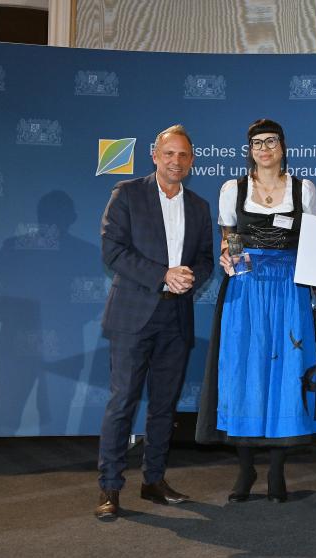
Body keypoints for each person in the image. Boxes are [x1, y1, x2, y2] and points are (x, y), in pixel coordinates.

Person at [195, 119, 316, 503]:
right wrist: (227, 259)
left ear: (283, 146)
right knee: (242, 371)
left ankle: (277, 472)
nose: (264, 148)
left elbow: (313, 242)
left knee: (286, 371)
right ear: (248, 149)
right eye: (257, 143)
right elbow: (226, 241)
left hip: (289, 286)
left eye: (271, 141)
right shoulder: (232, 189)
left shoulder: (304, 189)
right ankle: (246, 467)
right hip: (246, 287)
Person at [95, 125, 213, 520]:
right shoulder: (127, 194)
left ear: (192, 161)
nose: (176, 161)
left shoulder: (198, 205)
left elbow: (206, 258)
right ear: (154, 155)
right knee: (122, 403)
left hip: (176, 317)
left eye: (183, 155)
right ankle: (110, 488)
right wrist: (163, 274)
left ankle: (154, 481)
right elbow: (113, 251)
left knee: (164, 406)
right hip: (133, 315)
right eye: (169, 154)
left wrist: (189, 275)